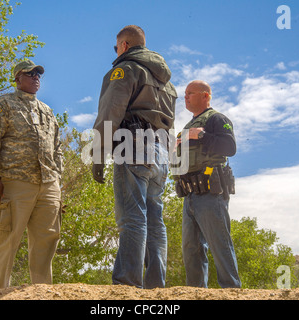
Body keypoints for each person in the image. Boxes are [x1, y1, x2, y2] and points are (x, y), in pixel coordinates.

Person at [91, 25, 177, 288]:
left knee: (132, 216)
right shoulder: (167, 82)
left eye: (116, 47)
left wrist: (97, 154)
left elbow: (110, 112)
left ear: (124, 45)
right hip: (160, 152)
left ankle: (127, 284)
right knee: (154, 219)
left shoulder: (125, 69)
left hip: (134, 146)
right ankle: (154, 286)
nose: (115, 52)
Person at [0, 60, 63, 288]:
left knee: (47, 239)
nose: (36, 76)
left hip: (48, 184)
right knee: (7, 237)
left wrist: (58, 185)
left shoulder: (47, 110)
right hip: (15, 181)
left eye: (38, 74)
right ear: (17, 78)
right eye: (30, 73)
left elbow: (57, 149)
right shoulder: (3, 104)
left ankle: (42, 291)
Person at [173, 80, 241, 288]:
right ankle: (196, 293)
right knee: (191, 249)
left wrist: (200, 135)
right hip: (189, 196)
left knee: (219, 244)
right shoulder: (186, 126)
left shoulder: (217, 119)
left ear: (206, 96)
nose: (185, 97)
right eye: (184, 94)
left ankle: (231, 291)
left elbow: (229, 147)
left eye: (190, 93)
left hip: (211, 193)